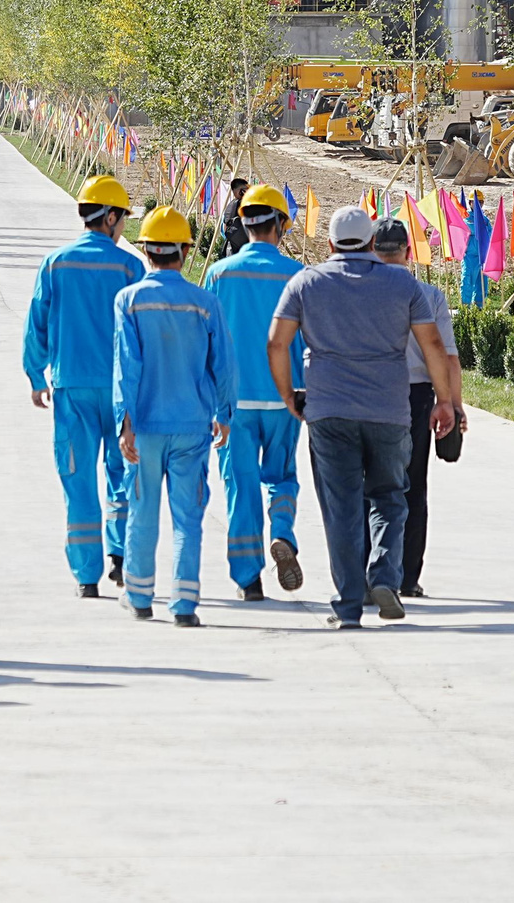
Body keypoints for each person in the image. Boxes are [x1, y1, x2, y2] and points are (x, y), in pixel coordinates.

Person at [266, 204, 453, 630]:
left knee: (342, 506)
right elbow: (434, 347)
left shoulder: (307, 282)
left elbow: (277, 344)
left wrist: (288, 396)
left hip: (328, 409)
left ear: (330, 244)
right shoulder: (402, 285)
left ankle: (349, 605)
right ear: (371, 243)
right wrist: (445, 400)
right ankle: (386, 575)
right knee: (390, 494)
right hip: (389, 409)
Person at [22, 175, 146, 595]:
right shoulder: (131, 266)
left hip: (71, 386)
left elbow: (37, 320)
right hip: (119, 390)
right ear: (110, 217)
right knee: (122, 472)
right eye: (123, 218)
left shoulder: (56, 262)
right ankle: (120, 557)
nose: (124, 226)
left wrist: (35, 373)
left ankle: (85, 577)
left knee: (76, 477)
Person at [113, 206, 233, 627]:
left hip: (144, 427)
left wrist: (124, 421)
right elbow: (223, 364)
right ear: (185, 250)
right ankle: (184, 606)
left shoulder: (129, 300)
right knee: (188, 518)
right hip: (191, 428)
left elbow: (126, 366)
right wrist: (224, 413)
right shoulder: (204, 302)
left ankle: (140, 597)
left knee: (142, 511)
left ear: (146, 251)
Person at [204, 185, 308, 600]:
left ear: (242, 224)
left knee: (240, 486)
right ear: (282, 225)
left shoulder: (218, 274)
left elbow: (206, 339)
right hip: (285, 398)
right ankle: (282, 532)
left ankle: (249, 579)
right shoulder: (298, 275)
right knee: (282, 476)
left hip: (233, 404)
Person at [371, 217, 464, 600]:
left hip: (372, 393)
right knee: (412, 486)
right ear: (409, 253)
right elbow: (446, 356)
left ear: (372, 250)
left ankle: (369, 571)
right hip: (418, 397)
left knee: (370, 486)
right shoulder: (428, 295)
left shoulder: (363, 291)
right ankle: (408, 576)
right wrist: (453, 405)